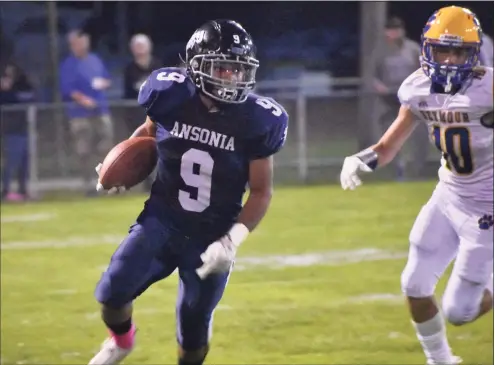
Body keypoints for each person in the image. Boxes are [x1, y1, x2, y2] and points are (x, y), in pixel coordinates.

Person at [88, 19, 289, 365]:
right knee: (112, 292)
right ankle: (121, 342)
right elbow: (148, 134)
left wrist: (231, 241)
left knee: (192, 336)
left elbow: (260, 192)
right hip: (162, 220)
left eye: (239, 70)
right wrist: (119, 163)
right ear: (197, 67)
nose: (231, 78)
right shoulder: (171, 95)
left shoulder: (256, 120)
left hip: (211, 235)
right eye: (223, 68)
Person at [340, 6, 493, 365]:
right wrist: (361, 159)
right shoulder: (417, 87)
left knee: (459, 311)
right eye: (443, 50)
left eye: (459, 52)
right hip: (448, 195)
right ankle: (440, 360)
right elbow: (389, 145)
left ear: (474, 54)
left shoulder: (490, 88)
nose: (451, 60)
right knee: (414, 284)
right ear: (427, 48)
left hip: (488, 208)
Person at [59, 30, 113, 196]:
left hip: (101, 110)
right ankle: (88, 185)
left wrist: (104, 83)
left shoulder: (95, 60)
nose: (83, 45)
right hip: (80, 114)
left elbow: (107, 79)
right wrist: (84, 100)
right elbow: (67, 89)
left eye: (85, 42)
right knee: (84, 149)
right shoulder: (68, 64)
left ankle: (107, 182)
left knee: (105, 146)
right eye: (80, 42)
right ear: (73, 44)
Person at [372, 17, 426, 180]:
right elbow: (373, 75)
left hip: (411, 99)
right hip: (389, 99)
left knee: (417, 134)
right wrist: (379, 86)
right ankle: (398, 168)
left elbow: (423, 71)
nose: (394, 33)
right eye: (391, 29)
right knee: (390, 133)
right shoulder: (381, 51)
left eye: (397, 29)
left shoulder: (412, 48)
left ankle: (417, 168)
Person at [123, 33, 162, 191]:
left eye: (142, 46)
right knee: (141, 151)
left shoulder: (158, 65)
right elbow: (127, 94)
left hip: (157, 115)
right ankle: (144, 182)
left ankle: (161, 181)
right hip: (138, 116)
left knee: (160, 149)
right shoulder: (129, 69)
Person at [0, 61, 34, 201]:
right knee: (11, 161)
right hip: (10, 130)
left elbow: (31, 98)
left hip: (24, 128)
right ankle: (5, 190)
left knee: (25, 162)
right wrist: (5, 90)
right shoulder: (5, 93)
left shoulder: (22, 86)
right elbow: (9, 100)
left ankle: (23, 189)